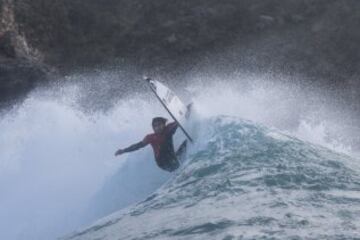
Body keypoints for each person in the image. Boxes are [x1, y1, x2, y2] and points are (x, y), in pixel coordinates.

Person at [115, 117, 187, 172]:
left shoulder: (168, 128)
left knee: (185, 143)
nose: (157, 128)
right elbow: (138, 145)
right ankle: (179, 168)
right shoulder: (151, 137)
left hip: (172, 157)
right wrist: (123, 151)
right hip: (162, 162)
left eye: (159, 125)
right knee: (167, 136)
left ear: (164, 124)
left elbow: (179, 121)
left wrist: (188, 112)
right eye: (155, 126)